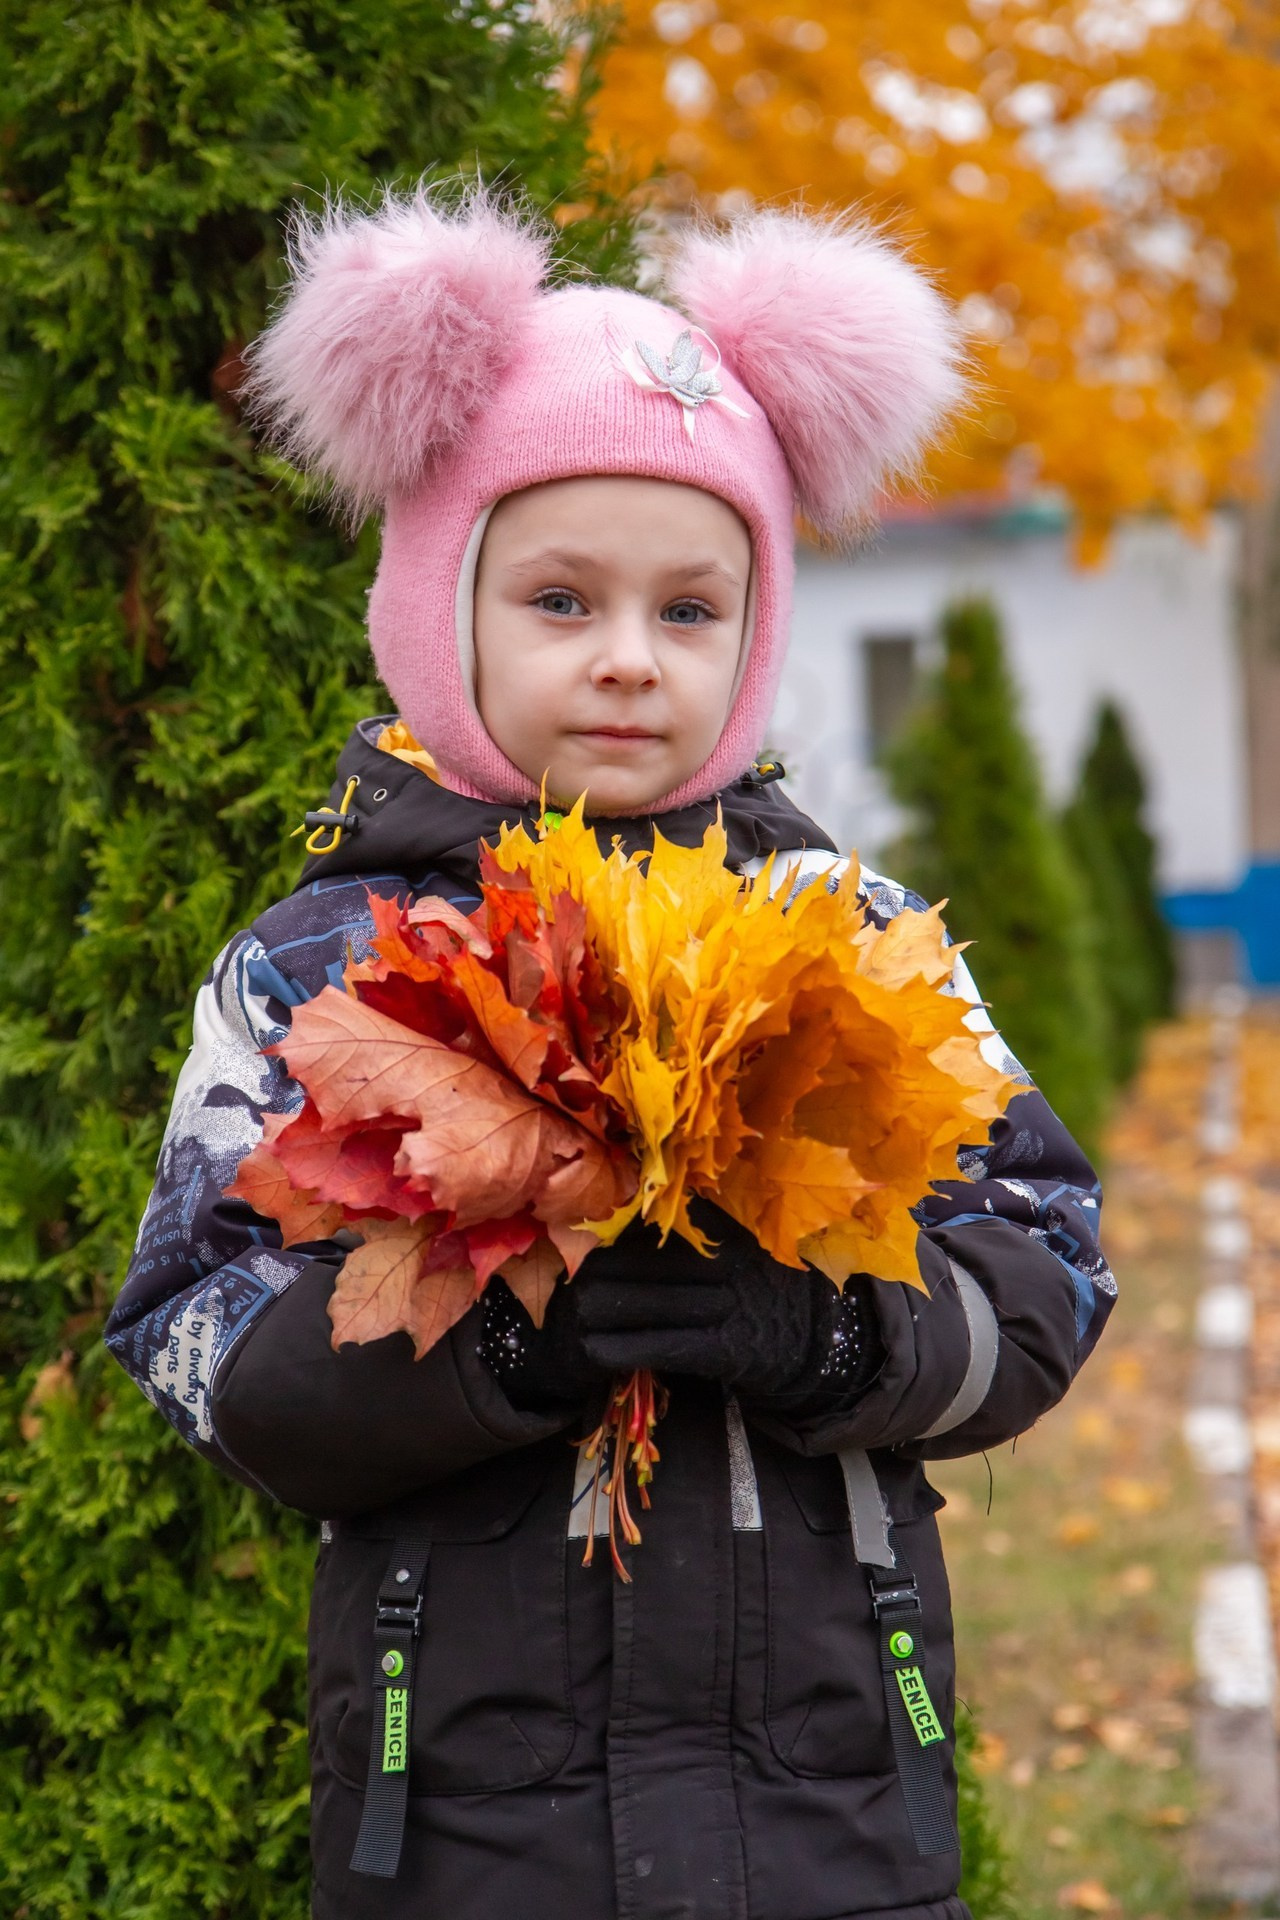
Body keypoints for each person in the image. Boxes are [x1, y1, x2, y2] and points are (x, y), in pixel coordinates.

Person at [104, 189, 1115, 1920]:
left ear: (754, 631)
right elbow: (198, 1339)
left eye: (693, 609)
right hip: (467, 1837)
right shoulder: (319, 965)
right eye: (563, 598)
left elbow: (1052, 1268)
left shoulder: (851, 937)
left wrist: (830, 1329)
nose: (631, 661)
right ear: (446, 606)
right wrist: (495, 1342)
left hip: (832, 1814)